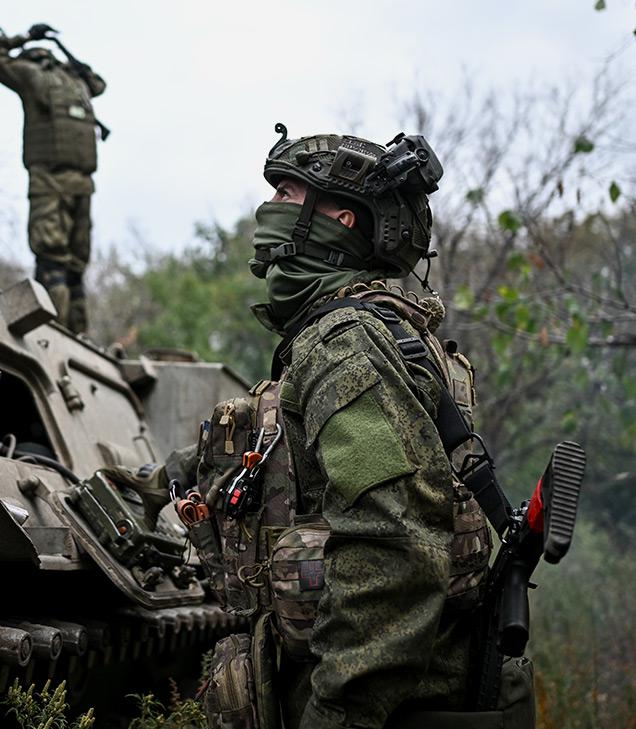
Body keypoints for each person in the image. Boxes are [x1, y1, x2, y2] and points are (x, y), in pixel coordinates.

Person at [183, 128, 534, 728]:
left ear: (340, 219)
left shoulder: (344, 345)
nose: (270, 210)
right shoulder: (378, 331)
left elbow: (395, 551)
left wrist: (337, 714)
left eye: (289, 194)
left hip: (393, 710)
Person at [0, 24, 106, 333]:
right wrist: (29, 38)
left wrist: (26, 40)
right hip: (53, 179)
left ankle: (70, 336)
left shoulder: (55, 78)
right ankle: (55, 334)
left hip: (76, 182)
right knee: (59, 264)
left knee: (67, 266)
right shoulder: (52, 78)